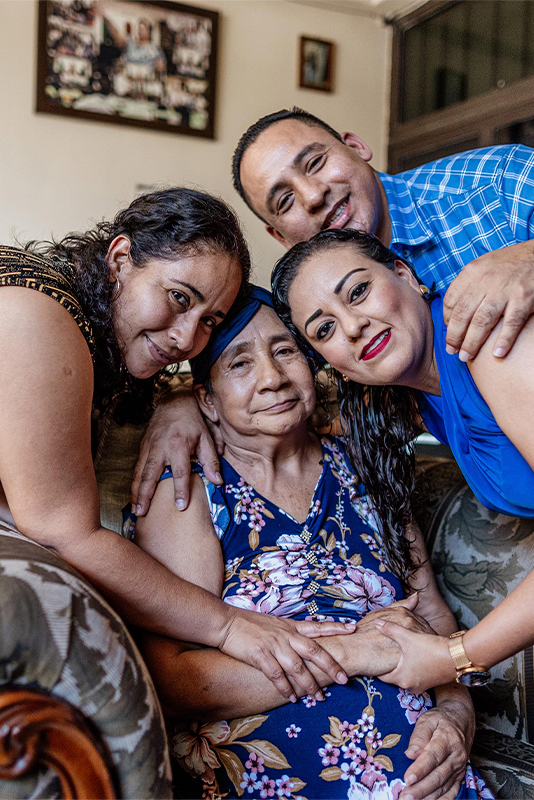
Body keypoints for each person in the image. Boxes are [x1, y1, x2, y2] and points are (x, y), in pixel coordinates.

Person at [0, 188, 356, 709]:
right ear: (120, 258)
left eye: (210, 321)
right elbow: (63, 529)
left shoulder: (94, 333)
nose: (186, 338)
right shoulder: (41, 316)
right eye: (179, 298)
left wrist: (182, 401)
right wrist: (230, 626)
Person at [133, 106, 534, 516]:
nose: (311, 196)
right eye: (284, 201)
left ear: (356, 146)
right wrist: (183, 402)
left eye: (315, 162)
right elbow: (295, 394)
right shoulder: (344, 333)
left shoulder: (497, 185)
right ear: (279, 235)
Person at [133, 288, 490, 800]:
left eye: (284, 351)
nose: (272, 378)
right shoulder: (190, 488)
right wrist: (354, 652)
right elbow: (175, 682)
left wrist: (455, 717)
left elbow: (433, 620)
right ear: (206, 400)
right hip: (278, 766)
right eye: (239, 363)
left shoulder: (366, 465)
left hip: (419, 763)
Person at [272, 228, 534, 695]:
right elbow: (279, 410)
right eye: (325, 329)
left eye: (358, 292)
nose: (352, 326)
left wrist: (453, 656)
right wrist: (183, 410)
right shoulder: (414, 394)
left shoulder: (496, 343)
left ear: (405, 274)